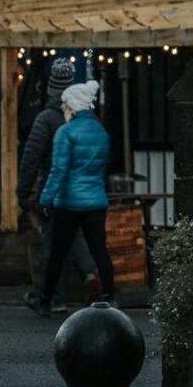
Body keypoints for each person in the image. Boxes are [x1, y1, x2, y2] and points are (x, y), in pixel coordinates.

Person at [34, 79, 115, 315]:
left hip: (69, 202)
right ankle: (110, 296)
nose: (63, 109)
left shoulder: (65, 132)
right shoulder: (100, 131)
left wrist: (45, 200)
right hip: (96, 201)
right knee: (99, 250)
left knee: (58, 253)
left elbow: (58, 171)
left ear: (72, 106)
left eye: (65, 105)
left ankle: (46, 300)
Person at [17, 57, 92, 310]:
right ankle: (92, 277)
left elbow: (30, 158)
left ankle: (52, 297)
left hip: (54, 190)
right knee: (76, 235)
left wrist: (22, 192)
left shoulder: (46, 120)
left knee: (52, 241)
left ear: (50, 87)